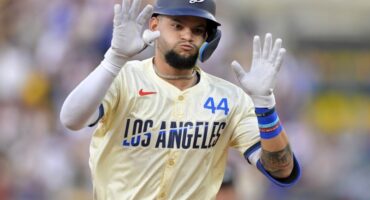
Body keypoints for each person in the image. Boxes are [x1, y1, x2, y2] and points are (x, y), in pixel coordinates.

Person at [60, 0, 301, 199]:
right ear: (154, 24)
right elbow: (71, 119)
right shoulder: (123, 78)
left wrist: (266, 105)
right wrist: (114, 58)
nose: (187, 35)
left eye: (197, 30)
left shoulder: (230, 98)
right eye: (177, 25)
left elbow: (282, 170)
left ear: (208, 36)